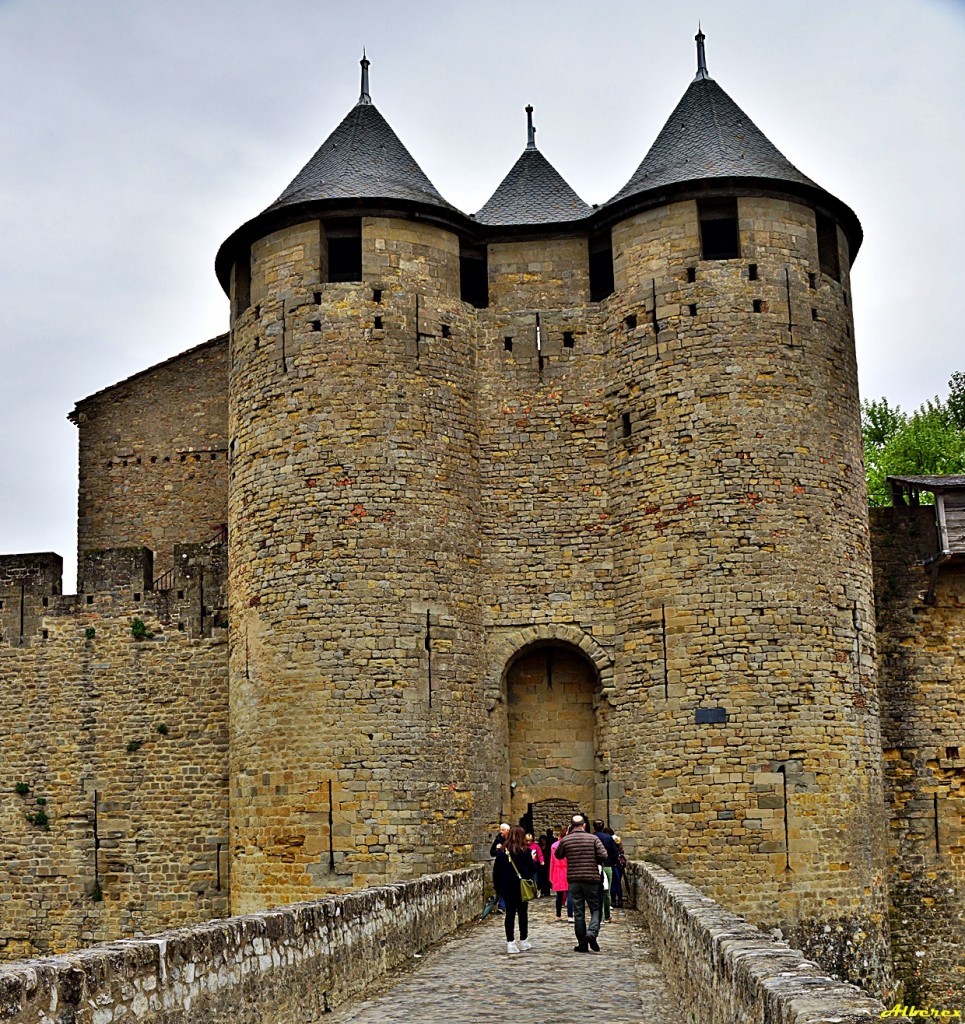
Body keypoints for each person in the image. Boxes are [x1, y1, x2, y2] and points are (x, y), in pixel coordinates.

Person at [553, 815, 607, 952]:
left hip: (574, 879)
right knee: (595, 908)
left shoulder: (566, 840)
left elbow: (558, 855)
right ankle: (592, 933)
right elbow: (603, 855)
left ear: (571, 826)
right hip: (591, 878)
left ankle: (582, 944)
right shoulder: (593, 838)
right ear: (584, 825)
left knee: (578, 913)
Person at [493, 825, 535, 954]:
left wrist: (498, 888)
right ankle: (523, 940)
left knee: (510, 914)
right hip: (521, 887)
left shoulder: (502, 852)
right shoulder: (526, 852)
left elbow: (496, 872)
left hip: (507, 887)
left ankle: (510, 943)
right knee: (522, 914)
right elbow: (532, 869)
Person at [593, 820, 620, 923]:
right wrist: (611, 862)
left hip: (594, 867)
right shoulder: (608, 838)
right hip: (607, 866)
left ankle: (598, 916)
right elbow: (615, 853)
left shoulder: (591, 837)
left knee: (596, 892)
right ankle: (606, 915)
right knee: (606, 891)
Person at [549, 830, 570, 923]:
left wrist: (551, 874)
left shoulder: (554, 846)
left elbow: (552, 861)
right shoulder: (569, 844)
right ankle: (570, 915)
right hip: (568, 870)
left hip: (558, 871)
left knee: (559, 895)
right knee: (570, 894)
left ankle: (558, 915)